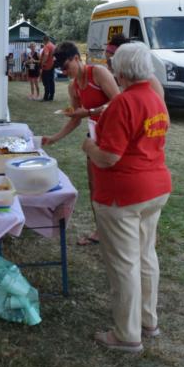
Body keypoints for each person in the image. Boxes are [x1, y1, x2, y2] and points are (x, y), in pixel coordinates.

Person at [81, 42, 172, 353]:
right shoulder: (156, 98)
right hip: (155, 188)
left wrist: (89, 147)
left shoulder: (124, 103)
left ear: (121, 71)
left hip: (124, 194)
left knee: (124, 264)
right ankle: (148, 321)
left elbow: (108, 157)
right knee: (146, 255)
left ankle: (127, 335)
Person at [43, 41, 120, 246]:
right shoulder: (73, 87)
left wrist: (90, 111)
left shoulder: (99, 73)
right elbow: (76, 119)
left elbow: (119, 102)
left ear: (77, 58)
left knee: (116, 185)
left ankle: (120, 230)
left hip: (114, 135)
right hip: (94, 136)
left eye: (66, 67)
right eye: (61, 69)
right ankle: (100, 230)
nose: (64, 72)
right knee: (94, 186)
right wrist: (54, 138)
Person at [107, 34, 164, 99]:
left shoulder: (149, 80)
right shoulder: (122, 78)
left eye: (110, 63)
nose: (108, 68)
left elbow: (160, 103)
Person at [40, 36, 55, 101]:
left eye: (43, 41)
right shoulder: (53, 46)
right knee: (51, 81)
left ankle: (46, 97)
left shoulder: (47, 46)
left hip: (46, 67)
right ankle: (51, 96)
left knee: (46, 82)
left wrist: (42, 62)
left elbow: (46, 55)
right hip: (52, 65)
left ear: (44, 40)